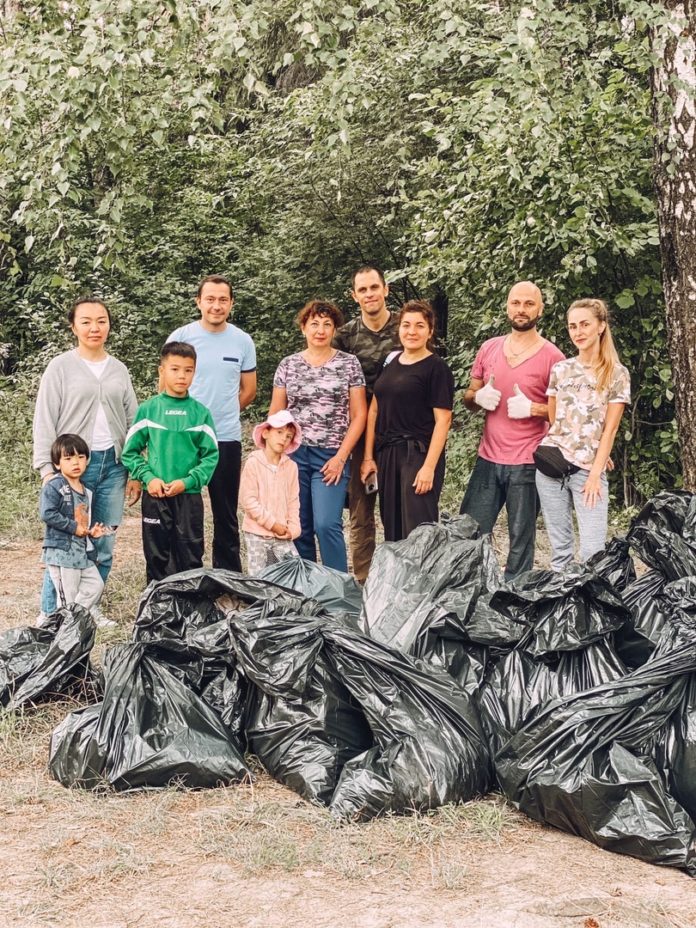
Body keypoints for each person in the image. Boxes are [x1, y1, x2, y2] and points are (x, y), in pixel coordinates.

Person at [33, 296, 140, 626]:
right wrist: (46, 470)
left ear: (109, 325)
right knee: (67, 544)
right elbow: (45, 417)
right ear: (73, 326)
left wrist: (135, 468)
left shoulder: (118, 369)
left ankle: (88, 608)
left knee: (102, 541)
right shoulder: (61, 367)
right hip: (72, 470)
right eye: (87, 321)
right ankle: (51, 612)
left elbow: (133, 420)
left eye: (102, 321)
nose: (95, 328)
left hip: (113, 466)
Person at [459, 281, 564, 580]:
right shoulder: (489, 348)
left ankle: (513, 598)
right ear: (507, 305)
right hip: (488, 459)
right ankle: (470, 590)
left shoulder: (553, 357)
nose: (521, 309)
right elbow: (470, 396)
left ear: (540, 309)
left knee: (521, 539)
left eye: (529, 304)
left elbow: (564, 413)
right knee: (470, 531)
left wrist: (535, 408)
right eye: (516, 302)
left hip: (529, 462)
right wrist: (477, 399)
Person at [167, 275, 256, 572]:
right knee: (181, 511)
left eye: (222, 300)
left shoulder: (242, 341)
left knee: (226, 514)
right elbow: (165, 387)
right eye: (210, 299)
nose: (216, 306)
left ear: (231, 303)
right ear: (198, 302)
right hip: (183, 437)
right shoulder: (181, 336)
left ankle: (228, 579)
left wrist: (222, 415)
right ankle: (182, 575)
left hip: (225, 438)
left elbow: (249, 390)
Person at [270, 300, 367, 572]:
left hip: (331, 456)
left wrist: (341, 457)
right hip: (294, 455)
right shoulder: (288, 365)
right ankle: (309, 589)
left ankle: (339, 591)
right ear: (303, 328)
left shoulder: (349, 364)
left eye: (327, 324)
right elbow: (276, 414)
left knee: (327, 524)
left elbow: (359, 415)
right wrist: (275, 455)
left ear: (335, 329)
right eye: (314, 324)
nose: (320, 330)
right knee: (300, 526)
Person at [535, 298, 630, 570]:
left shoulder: (616, 374)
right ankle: (561, 608)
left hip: (587, 472)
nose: (578, 332)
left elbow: (610, 428)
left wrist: (596, 470)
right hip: (551, 466)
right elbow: (555, 417)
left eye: (585, 324)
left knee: (592, 552)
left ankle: (589, 609)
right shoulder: (561, 369)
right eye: (572, 326)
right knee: (560, 551)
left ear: (601, 326)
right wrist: (575, 440)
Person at [121, 342, 219, 583]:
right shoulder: (149, 410)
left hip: (188, 496)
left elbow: (211, 457)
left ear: (194, 372)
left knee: (190, 553)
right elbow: (130, 452)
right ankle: (157, 607)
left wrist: (187, 482)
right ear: (161, 371)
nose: (182, 376)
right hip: (155, 497)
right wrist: (148, 478)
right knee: (156, 554)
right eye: (175, 369)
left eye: (188, 370)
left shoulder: (201, 413)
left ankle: (190, 607)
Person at [361, 300, 455, 541]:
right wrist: (369, 457)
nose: (412, 331)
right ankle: (399, 578)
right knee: (391, 526)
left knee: (418, 528)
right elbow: (374, 411)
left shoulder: (436, 368)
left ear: (430, 331)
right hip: (387, 454)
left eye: (419, 326)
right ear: (399, 328)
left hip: (418, 454)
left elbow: (443, 420)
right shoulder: (390, 362)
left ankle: (424, 579)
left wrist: (428, 468)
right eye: (406, 325)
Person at [333, 266, 400, 581]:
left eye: (375, 287)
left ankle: (400, 577)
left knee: (400, 509)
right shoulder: (344, 336)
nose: (370, 294)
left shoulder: (408, 326)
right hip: (361, 431)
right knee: (361, 510)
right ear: (354, 295)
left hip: (403, 428)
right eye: (363, 289)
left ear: (385, 289)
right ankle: (365, 579)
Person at [39, 434, 109, 616]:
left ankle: (74, 619)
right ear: (57, 464)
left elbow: (81, 522)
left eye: (80, 457)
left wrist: (91, 532)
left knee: (95, 585)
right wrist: (73, 527)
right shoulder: (54, 486)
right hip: (62, 553)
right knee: (67, 598)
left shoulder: (86, 490)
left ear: (87, 460)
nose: (75, 463)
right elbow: (47, 513)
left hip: (80, 552)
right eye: (68, 458)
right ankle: (63, 629)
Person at [239, 410, 302, 574]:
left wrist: (293, 529)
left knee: (292, 572)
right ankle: (261, 601)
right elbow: (248, 501)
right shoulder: (253, 463)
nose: (283, 438)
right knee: (260, 578)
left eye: (288, 436)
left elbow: (293, 502)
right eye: (279, 432)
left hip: (282, 535)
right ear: (266, 433)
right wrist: (273, 524)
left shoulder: (291, 468)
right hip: (256, 534)